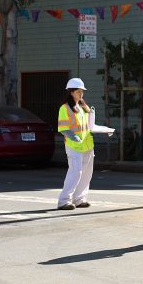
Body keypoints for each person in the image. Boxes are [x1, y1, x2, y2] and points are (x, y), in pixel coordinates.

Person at [56, 78, 95, 210]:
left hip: (87, 145)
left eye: (82, 91)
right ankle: (64, 201)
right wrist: (73, 137)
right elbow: (63, 128)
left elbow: (89, 126)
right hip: (74, 146)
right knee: (75, 172)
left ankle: (79, 199)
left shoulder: (83, 106)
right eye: (78, 91)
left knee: (86, 173)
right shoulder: (65, 108)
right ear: (71, 92)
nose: (81, 94)